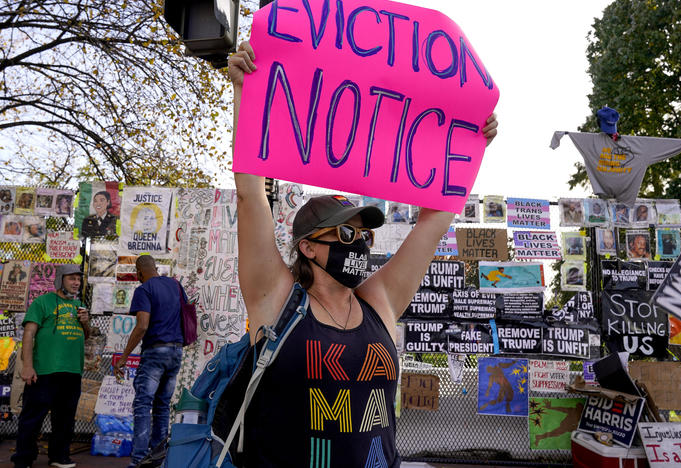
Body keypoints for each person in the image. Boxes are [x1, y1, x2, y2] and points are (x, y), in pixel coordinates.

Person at [228, 42, 497, 467]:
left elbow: (435, 221)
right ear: (308, 246)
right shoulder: (275, 299)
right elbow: (250, 196)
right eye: (347, 231)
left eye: (365, 235)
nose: (359, 242)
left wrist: (466, 140)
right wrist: (247, 91)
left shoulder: (381, 301)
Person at [11, 264, 90, 468]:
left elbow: (86, 336)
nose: (76, 283)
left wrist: (85, 323)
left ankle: (59, 456)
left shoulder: (79, 305)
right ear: (60, 280)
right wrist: (27, 366)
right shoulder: (42, 302)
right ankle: (24, 458)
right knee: (33, 418)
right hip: (45, 371)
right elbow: (29, 334)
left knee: (65, 418)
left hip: (72, 370)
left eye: (78, 279)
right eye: (71, 278)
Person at [114, 255, 186, 468]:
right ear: (155, 268)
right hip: (176, 350)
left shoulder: (144, 290)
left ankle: (138, 460)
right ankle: (158, 458)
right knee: (162, 405)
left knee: (143, 404)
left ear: (139, 272)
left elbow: (143, 325)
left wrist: (125, 356)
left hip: (156, 351)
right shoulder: (175, 285)